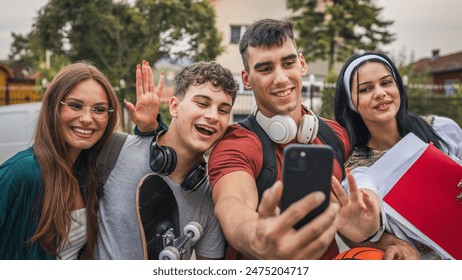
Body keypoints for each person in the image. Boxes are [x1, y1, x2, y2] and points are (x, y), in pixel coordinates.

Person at [96, 60, 237, 260]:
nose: (213, 116)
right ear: (174, 107)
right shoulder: (114, 150)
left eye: (223, 110)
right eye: (202, 103)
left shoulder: (212, 197)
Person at [332, 51, 462, 259]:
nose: (380, 93)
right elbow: (360, 223)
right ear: (350, 103)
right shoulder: (355, 169)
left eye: (386, 83)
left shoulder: (442, 130)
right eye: (365, 89)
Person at [0, 62, 120, 259]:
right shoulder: (20, 172)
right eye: (75, 105)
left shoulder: (88, 175)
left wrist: (147, 129)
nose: (87, 118)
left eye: (99, 109)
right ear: (52, 107)